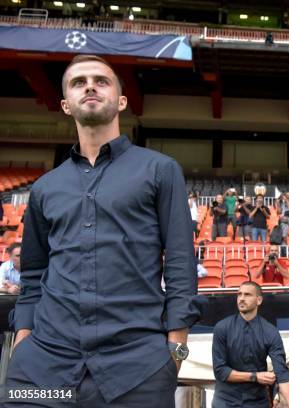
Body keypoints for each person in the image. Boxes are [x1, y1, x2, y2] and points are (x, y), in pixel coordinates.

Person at [6, 54, 199, 407]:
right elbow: (33, 272)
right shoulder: (46, 188)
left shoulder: (160, 170)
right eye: (78, 82)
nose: (90, 86)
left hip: (137, 366)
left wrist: (176, 346)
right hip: (42, 366)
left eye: (101, 80)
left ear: (121, 101)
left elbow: (181, 260)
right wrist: (23, 338)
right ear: (66, 105)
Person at [212, 281, 289, 408]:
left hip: (257, 402)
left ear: (259, 300)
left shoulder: (271, 331)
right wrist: (254, 376)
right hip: (225, 402)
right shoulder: (222, 328)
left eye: (247, 295)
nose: (241, 298)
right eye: (239, 294)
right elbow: (220, 371)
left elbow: (282, 374)